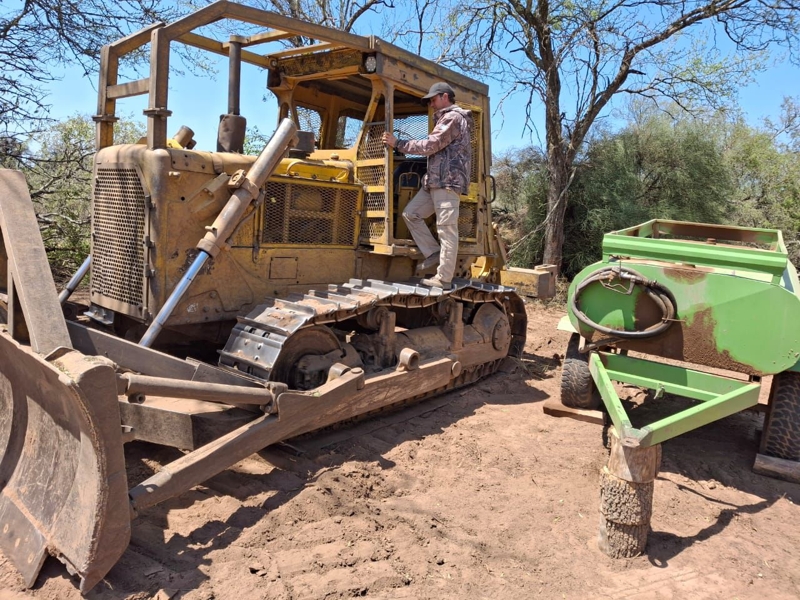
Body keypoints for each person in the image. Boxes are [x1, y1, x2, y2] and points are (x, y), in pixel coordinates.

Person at [382, 82, 472, 290]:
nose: (431, 104)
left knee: (447, 230)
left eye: (433, 99)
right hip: (433, 183)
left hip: (447, 183)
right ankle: (432, 252)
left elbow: (431, 145)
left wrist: (398, 144)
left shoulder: (452, 118)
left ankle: (444, 279)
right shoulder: (443, 118)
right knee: (411, 214)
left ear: (444, 97)